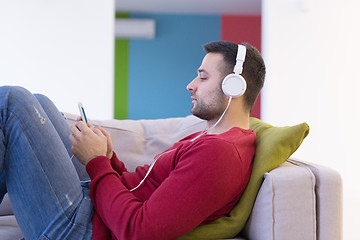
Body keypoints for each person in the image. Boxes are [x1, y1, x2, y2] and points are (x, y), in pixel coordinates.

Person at [0, 40, 265, 240]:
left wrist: (96, 162)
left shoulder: (221, 155)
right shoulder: (211, 139)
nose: (191, 85)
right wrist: (108, 158)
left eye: (203, 77)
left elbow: (138, 230)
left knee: (13, 102)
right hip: (97, 211)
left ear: (234, 87)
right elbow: (141, 188)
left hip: (83, 230)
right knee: (41, 103)